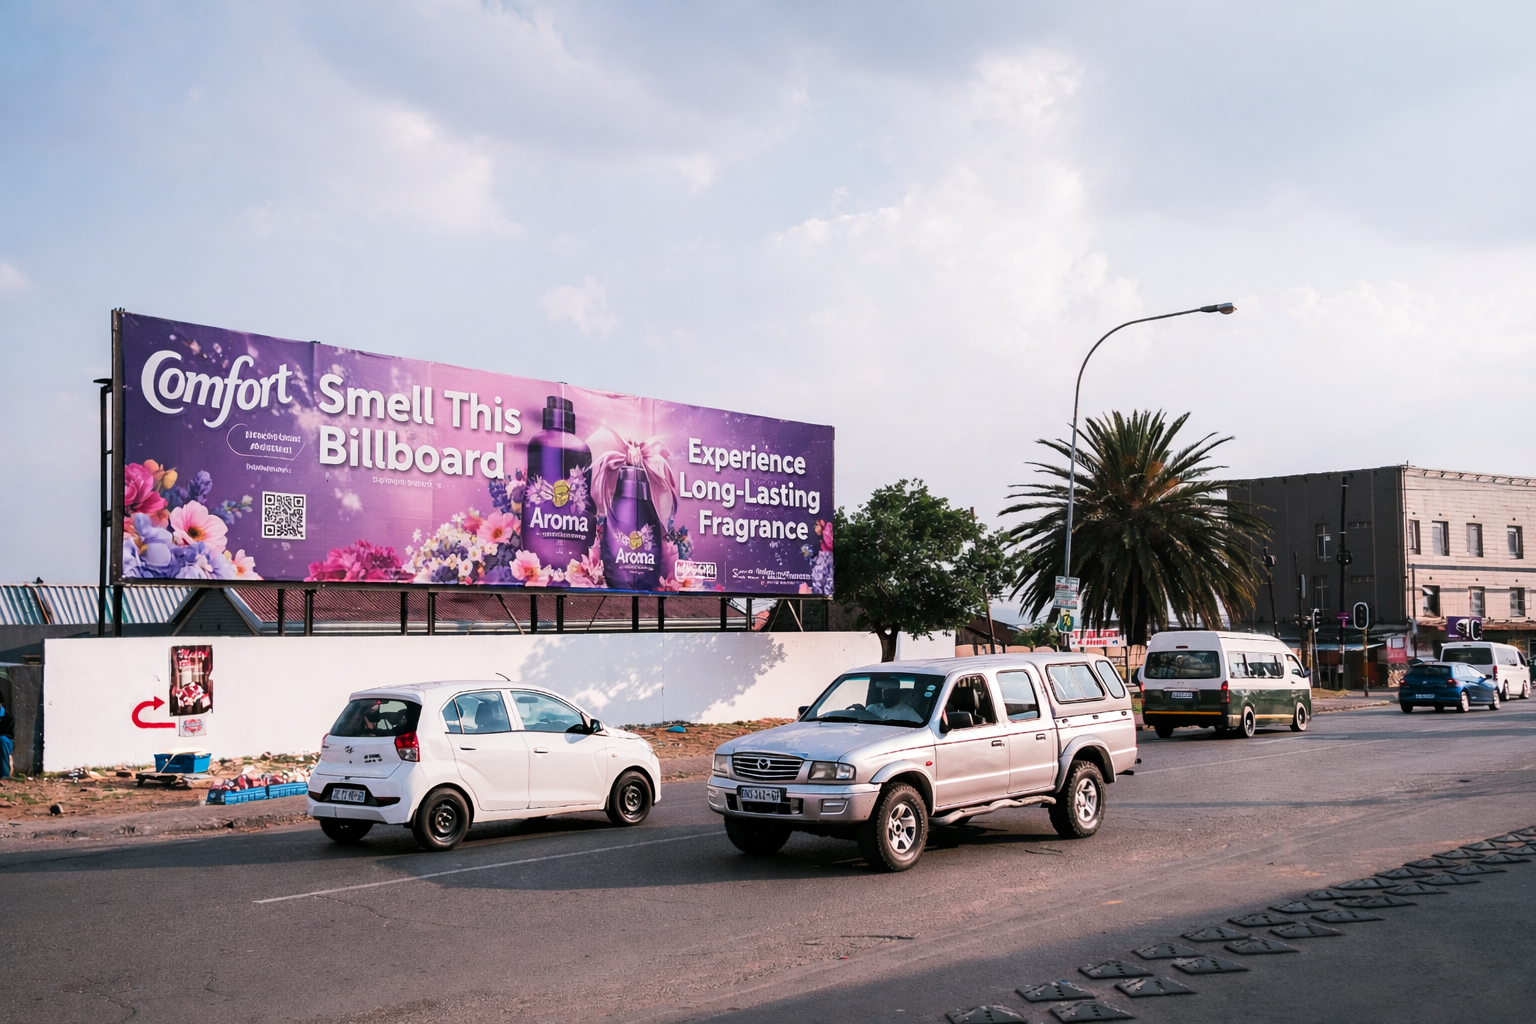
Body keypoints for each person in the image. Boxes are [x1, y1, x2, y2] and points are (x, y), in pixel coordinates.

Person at [0, 700, 13, 779]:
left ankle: (4, 775)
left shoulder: (7, 717)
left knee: (2, 741)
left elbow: (7, 733)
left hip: (5, 740)